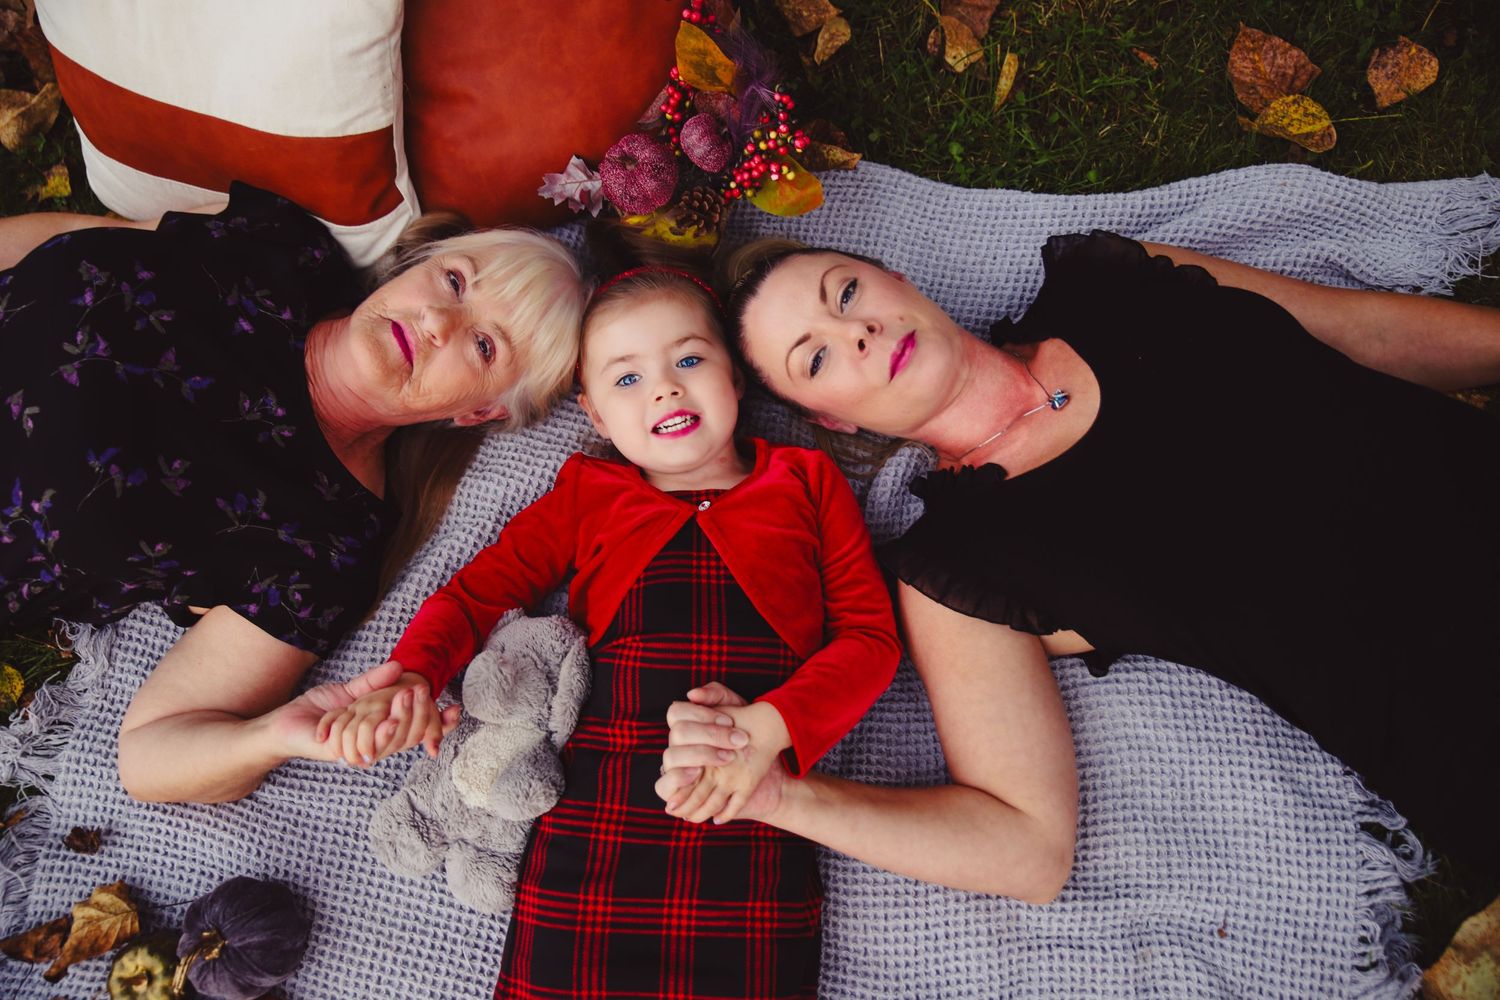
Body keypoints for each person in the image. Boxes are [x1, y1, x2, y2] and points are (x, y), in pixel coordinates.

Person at [654, 229, 1500, 904]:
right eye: (817, 357)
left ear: (894, 277)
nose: (858, 331)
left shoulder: (1109, 284)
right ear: (831, 420)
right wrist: (781, 798)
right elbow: (1027, 850)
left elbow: (1359, 333)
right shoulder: (960, 569)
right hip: (1461, 707)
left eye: (846, 293)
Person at [320, 264, 899, 998]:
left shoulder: (805, 482)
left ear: (735, 376)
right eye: (628, 379)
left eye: (689, 360)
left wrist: (771, 726)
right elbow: (475, 595)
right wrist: (412, 673)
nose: (664, 390)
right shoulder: (588, 494)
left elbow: (870, 641)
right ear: (594, 415)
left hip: (746, 816)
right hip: (591, 828)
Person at [0, 183, 588, 804]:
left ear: (480, 413)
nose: (438, 321)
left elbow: (148, 757)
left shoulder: (324, 543)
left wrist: (274, 735)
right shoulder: (281, 244)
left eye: (484, 345)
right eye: (455, 280)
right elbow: (79, 237)